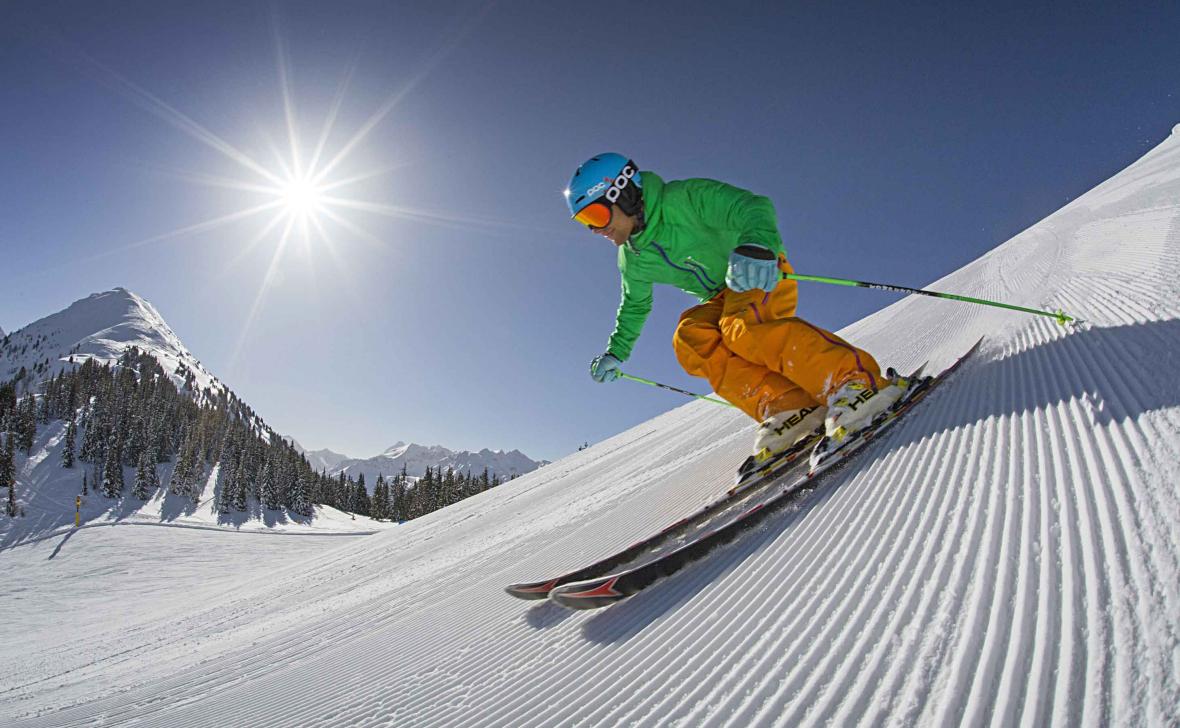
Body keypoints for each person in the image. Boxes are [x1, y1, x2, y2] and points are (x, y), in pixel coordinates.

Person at [565, 152, 908, 463]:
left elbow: (751, 207)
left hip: (756, 268)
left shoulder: (684, 198)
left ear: (624, 193)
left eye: (595, 214)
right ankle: (789, 406)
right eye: (585, 222)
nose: (596, 229)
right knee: (689, 338)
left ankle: (857, 383)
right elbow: (635, 305)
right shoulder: (632, 259)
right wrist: (616, 352)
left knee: (739, 327)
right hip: (720, 296)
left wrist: (757, 246)